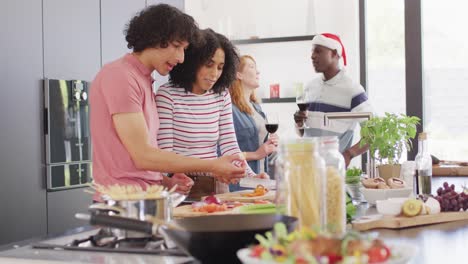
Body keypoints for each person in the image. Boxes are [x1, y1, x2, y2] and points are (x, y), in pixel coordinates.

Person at [89, 5, 246, 199]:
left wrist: (166, 181)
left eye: (184, 49)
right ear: (157, 38)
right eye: (177, 46)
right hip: (123, 202)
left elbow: (131, 160)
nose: (181, 58)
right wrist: (213, 165)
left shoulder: (143, 80)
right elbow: (143, 156)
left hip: (145, 198)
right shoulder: (120, 76)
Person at [156, 29, 266, 197]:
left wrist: (252, 178)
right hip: (181, 185)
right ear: (192, 62)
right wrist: (209, 168)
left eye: (220, 67)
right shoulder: (167, 95)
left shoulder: (221, 95)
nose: (214, 74)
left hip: (217, 185)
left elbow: (230, 145)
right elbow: (165, 155)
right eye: (209, 64)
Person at [294, 33, 373, 167]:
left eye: (318, 51)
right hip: (306, 168)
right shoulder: (309, 87)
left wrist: (349, 154)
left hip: (333, 171)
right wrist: (299, 123)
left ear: (334, 53)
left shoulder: (352, 90)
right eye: (312, 52)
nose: (312, 56)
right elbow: (303, 134)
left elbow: (373, 133)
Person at [229, 55, 278, 191]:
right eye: (252, 67)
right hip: (240, 183)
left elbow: (260, 143)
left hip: (261, 177)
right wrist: (256, 154)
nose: (258, 72)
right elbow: (224, 152)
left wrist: (270, 143)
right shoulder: (230, 109)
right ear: (238, 74)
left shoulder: (256, 107)